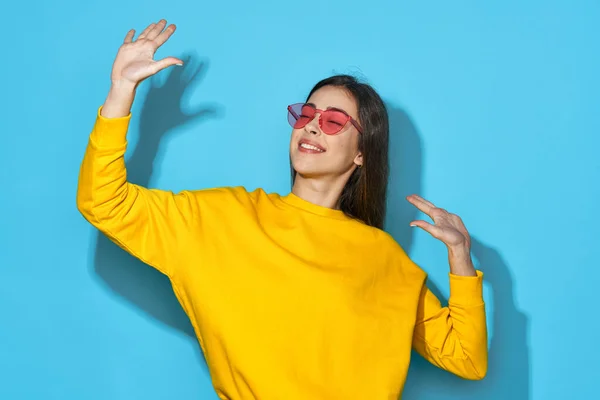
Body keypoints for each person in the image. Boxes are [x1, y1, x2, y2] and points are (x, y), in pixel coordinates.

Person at [76, 19, 488, 400]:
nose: (310, 125)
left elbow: (467, 359)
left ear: (363, 153)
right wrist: (120, 92)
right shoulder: (224, 217)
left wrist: (460, 258)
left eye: (332, 122)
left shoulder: (384, 258)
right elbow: (103, 201)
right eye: (306, 114)